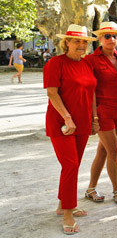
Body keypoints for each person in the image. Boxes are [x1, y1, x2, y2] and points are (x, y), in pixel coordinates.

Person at [44, 24, 98, 235]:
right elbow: (52, 93)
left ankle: (62, 204)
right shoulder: (55, 63)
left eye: (84, 41)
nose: (81, 45)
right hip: (62, 124)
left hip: (83, 123)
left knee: (72, 167)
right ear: (66, 42)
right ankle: (67, 213)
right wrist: (67, 117)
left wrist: (94, 119)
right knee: (70, 165)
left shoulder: (86, 65)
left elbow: (92, 92)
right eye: (77, 41)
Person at [84, 22, 117, 206]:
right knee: (113, 150)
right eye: (107, 36)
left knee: (103, 151)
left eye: (114, 36)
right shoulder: (91, 60)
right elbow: (90, 91)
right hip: (102, 111)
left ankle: (90, 188)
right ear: (99, 39)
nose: (112, 39)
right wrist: (93, 117)